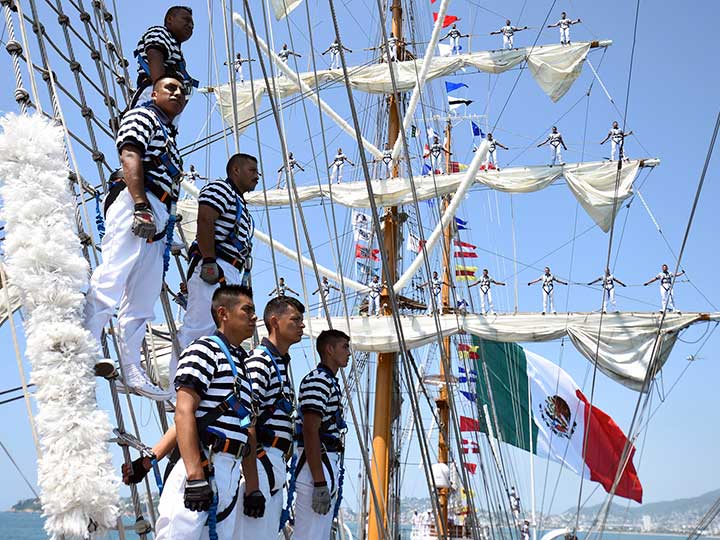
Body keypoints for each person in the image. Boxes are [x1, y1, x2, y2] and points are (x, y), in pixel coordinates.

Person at [85, 74, 186, 399]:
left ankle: (131, 369)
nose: (178, 93)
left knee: (142, 300)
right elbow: (130, 154)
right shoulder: (143, 116)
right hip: (137, 200)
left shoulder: (169, 135)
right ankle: (85, 344)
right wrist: (140, 204)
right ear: (153, 93)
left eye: (182, 91)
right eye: (170, 87)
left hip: (160, 214)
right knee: (114, 274)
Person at [154, 285, 257, 540]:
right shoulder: (204, 350)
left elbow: (245, 424)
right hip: (204, 465)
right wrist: (195, 477)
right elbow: (184, 412)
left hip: (229, 472)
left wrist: (251, 487)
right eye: (247, 310)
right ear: (223, 313)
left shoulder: (241, 364)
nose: (254, 317)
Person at [171, 154, 259, 386]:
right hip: (216, 264)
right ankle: (177, 387)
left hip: (230, 268)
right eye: (252, 170)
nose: (257, 176)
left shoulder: (239, 202)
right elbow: (206, 220)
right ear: (236, 170)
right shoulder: (220, 189)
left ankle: (203, 385)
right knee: (199, 326)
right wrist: (209, 260)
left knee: (218, 330)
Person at [236, 297, 306, 537]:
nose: (302, 326)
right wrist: (253, 483)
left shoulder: (279, 363)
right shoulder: (260, 361)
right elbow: (246, 418)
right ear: (274, 322)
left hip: (274, 461)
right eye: (295, 319)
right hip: (260, 459)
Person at [290, 330, 350, 540]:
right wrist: (319, 483)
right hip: (316, 465)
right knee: (310, 535)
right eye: (344, 347)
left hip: (324, 464)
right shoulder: (319, 381)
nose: (349, 353)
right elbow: (310, 430)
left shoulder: (328, 381)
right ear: (329, 349)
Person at [131, 6, 196, 111]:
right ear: (170, 19)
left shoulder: (178, 54)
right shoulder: (160, 33)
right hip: (156, 94)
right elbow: (154, 54)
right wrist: (161, 92)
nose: (190, 25)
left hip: (168, 101)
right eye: (186, 20)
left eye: (192, 24)